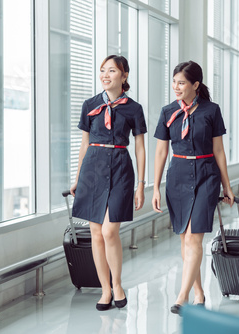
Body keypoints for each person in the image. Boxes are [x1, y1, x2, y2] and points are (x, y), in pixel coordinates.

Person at [152, 60, 234, 314]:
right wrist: (154, 187)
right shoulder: (168, 112)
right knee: (184, 240)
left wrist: (227, 186)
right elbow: (161, 152)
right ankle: (199, 292)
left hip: (206, 176)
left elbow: (218, 150)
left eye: (182, 83)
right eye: (174, 82)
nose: (176, 87)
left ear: (195, 85)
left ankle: (181, 296)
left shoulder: (211, 110)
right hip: (177, 176)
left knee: (194, 237)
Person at [70, 55, 147, 311]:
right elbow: (84, 143)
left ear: (124, 76)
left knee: (109, 231)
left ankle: (117, 284)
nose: (105, 75)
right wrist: (78, 177)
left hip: (120, 167)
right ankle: (104, 290)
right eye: (102, 70)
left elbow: (140, 146)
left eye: (111, 71)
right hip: (92, 167)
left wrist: (141, 185)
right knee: (95, 233)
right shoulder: (89, 104)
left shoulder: (134, 108)